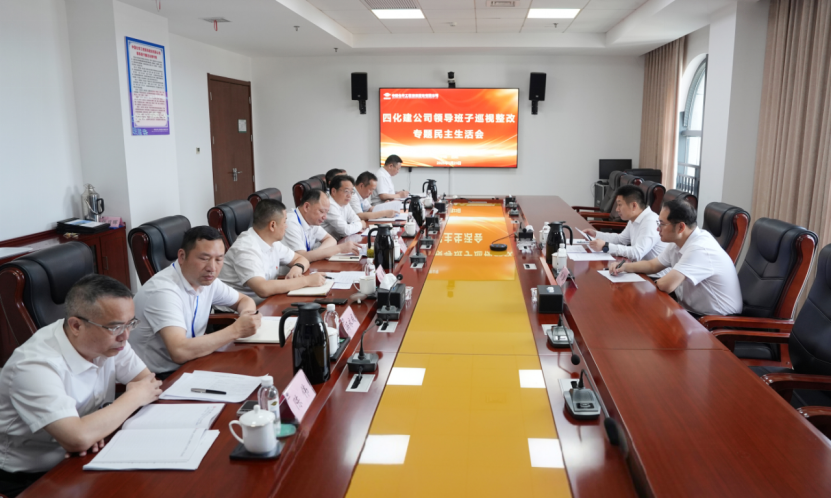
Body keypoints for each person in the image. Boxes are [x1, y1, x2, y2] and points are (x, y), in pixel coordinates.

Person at [0, 275, 162, 497]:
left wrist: (98, 428)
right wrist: (129, 400)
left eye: (130, 324)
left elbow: (148, 383)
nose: (125, 336)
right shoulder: (33, 365)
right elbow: (77, 438)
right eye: (115, 327)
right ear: (76, 325)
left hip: (84, 457)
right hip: (31, 479)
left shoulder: (111, 343)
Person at [129, 226, 261, 377]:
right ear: (182, 256)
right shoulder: (163, 291)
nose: (212, 268)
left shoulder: (206, 280)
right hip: (159, 377)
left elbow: (244, 300)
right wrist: (236, 330)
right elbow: (179, 351)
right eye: (204, 258)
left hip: (194, 362)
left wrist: (247, 316)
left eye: (219, 259)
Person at [610, 199, 743, 317]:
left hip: (717, 321)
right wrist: (624, 266)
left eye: (662, 224)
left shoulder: (700, 248)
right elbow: (653, 265)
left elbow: (666, 285)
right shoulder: (679, 241)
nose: (657, 229)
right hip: (690, 312)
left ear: (680, 227)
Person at [219, 199, 326, 304]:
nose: (286, 226)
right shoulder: (246, 248)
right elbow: (263, 289)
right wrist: (307, 281)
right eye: (284, 222)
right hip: (242, 311)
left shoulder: (272, 242)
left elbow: (301, 258)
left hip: (268, 302)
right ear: (272, 225)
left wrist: (297, 268)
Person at [585, 185, 668, 272]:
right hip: (639, 270)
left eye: (619, 205)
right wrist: (596, 234)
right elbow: (621, 239)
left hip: (653, 277)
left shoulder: (650, 222)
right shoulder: (635, 218)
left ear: (634, 206)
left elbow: (637, 253)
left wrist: (606, 246)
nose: (617, 209)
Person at [283, 188, 360, 262]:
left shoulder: (310, 220)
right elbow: (301, 258)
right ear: (306, 207)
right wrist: (339, 249)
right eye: (322, 211)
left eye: (326, 212)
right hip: (290, 271)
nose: (325, 217)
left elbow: (330, 239)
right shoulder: (290, 223)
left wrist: (317, 254)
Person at [322, 175, 368, 239]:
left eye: (351, 192)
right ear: (333, 191)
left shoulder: (344, 203)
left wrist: (356, 226)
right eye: (346, 191)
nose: (349, 195)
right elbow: (345, 231)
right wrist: (360, 225)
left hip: (340, 240)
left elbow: (356, 219)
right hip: (327, 243)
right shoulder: (329, 206)